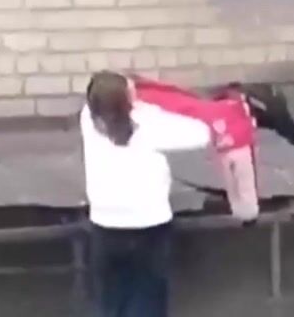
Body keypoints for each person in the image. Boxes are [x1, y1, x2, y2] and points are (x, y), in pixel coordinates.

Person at [80, 70, 212, 317]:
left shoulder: (89, 118)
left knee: (112, 302)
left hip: (105, 225)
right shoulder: (149, 123)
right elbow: (202, 133)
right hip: (149, 226)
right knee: (148, 299)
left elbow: (107, 104)